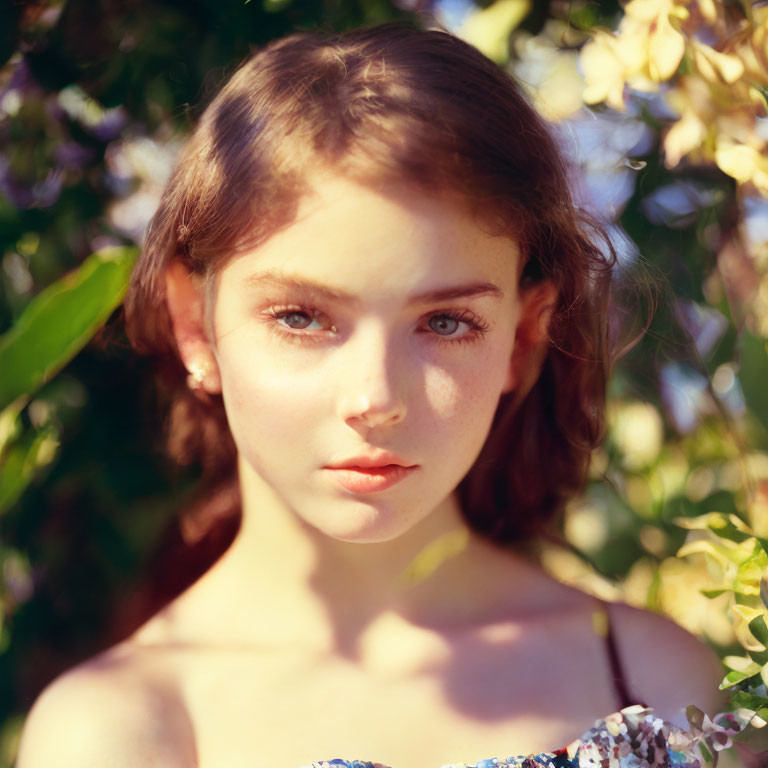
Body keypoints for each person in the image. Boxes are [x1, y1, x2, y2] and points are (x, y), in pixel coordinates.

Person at [16, 22, 725, 768]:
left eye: (446, 322)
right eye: (301, 317)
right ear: (197, 326)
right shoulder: (114, 733)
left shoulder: (658, 684)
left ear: (523, 336)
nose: (376, 397)